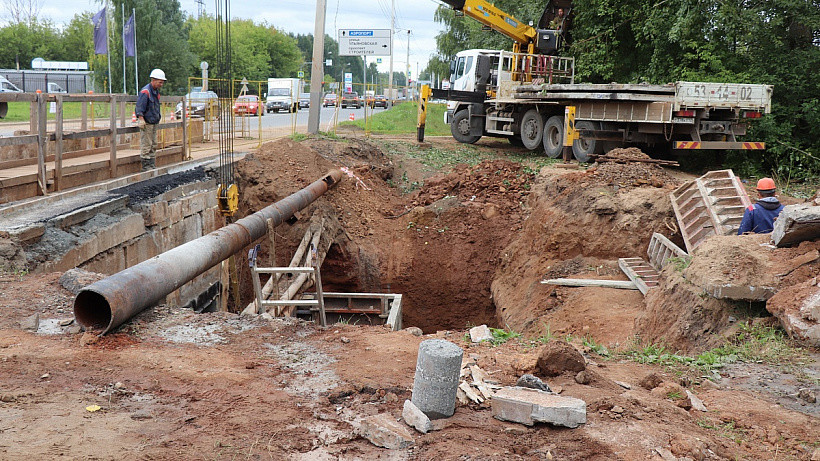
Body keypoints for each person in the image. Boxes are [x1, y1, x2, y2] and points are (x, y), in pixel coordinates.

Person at [135, 68, 166, 171]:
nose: (161, 84)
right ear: (153, 80)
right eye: (160, 82)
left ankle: (151, 165)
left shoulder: (155, 92)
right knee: (146, 144)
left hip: (154, 122)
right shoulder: (146, 92)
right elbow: (140, 106)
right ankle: (146, 167)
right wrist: (141, 118)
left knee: (153, 144)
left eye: (162, 82)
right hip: (147, 122)